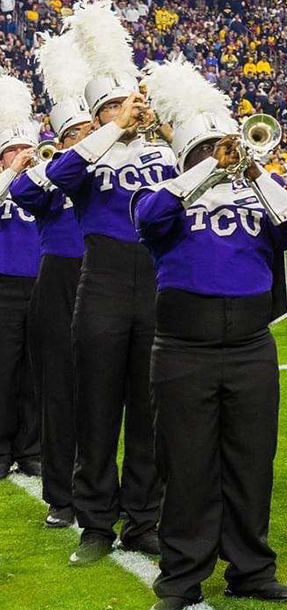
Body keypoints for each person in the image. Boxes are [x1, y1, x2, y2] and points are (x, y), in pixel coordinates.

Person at [134, 65, 287, 608]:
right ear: (190, 151)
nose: (225, 153)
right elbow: (151, 220)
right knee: (186, 464)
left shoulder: (257, 194)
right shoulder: (165, 192)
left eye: (227, 145)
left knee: (251, 462)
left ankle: (252, 569)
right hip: (183, 349)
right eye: (210, 146)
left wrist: (257, 174)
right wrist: (205, 168)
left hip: (250, 347)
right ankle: (181, 578)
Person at [45, 5, 176, 562]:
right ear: (100, 115)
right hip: (99, 281)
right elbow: (56, 177)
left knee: (148, 411)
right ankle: (95, 523)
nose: (134, 111)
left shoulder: (163, 153)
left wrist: (166, 126)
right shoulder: (86, 154)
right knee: (97, 408)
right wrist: (113, 129)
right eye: (120, 107)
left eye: (133, 104)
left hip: (152, 282)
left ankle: (142, 519)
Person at [10, 34, 93, 527]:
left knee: (109, 392)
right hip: (59, 282)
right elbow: (22, 191)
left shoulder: (116, 171)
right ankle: (62, 496)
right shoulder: (47, 174)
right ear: (61, 142)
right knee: (59, 391)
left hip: (108, 278)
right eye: (77, 132)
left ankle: (114, 491)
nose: (88, 137)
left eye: (92, 128)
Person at [0, 120, 40, 484]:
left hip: (42, 284)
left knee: (34, 372)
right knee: (4, 370)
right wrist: (11, 172)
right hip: (5, 286)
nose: (23, 155)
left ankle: (30, 449)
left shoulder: (42, 181)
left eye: (26, 148)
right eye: (13, 150)